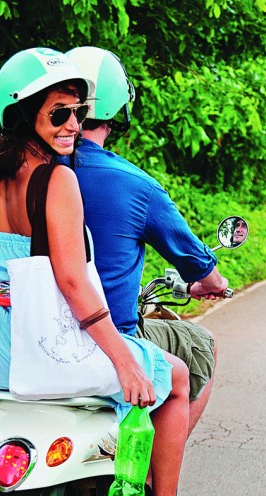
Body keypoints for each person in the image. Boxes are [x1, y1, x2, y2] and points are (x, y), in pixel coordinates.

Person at [0, 47, 200, 496]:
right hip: (52, 348)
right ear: (21, 115)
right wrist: (123, 360)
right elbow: (74, 284)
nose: (74, 124)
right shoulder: (59, 179)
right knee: (177, 378)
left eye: (78, 112)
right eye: (60, 113)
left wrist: (7, 284)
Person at [65, 47, 229, 436]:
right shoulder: (136, 185)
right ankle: (159, 492)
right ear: (120, 106)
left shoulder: (25, 173)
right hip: (114, 336)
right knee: (200, 345)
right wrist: (210, 285)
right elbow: (201, 267)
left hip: (34, 334)